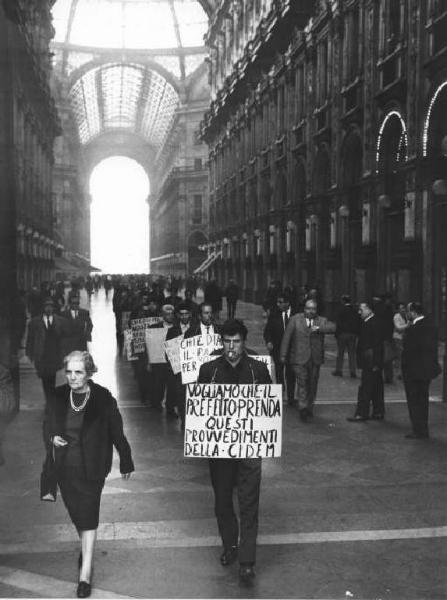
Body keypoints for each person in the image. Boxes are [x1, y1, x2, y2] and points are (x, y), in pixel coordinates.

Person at [44, 351, 134, 598]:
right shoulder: (58, 395)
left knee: (89, 513)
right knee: (77, 513)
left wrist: (125, 459)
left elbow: (117, 430)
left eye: (79, 372)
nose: (72, 377)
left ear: (89, 372)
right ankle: (87, 547)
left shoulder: (103, 397)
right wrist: (53, 437)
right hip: (65, 467)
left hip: (93, 466)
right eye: (69, 372)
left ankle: (85, 573)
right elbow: (47, 424)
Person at [197, 319, 272, 586]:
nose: (231, 348)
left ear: (244, 342)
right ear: (221, 342)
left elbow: (269, 409)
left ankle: (248, 561)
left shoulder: (259, 370)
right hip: (220, 450)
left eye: (237, 342)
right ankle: (230, 545)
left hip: (250, 448)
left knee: (249, 502)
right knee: (222, 501)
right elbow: (197, 409)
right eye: (227, 342)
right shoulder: (208, 370)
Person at [280, 299, 335, 421]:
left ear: (316, 310)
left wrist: (319, 329)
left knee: (312, 384)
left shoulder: (321, 320)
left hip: (315, 359)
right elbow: (286, 337)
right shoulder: (295, 319)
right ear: (304, 309)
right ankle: (303, 408)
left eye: (313, 309)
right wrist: (283, 355)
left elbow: (333, 327)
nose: (311, 311)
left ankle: (309, 407)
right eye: (308, 308)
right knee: (302, 382)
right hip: (299, 358)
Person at [402, 302, 440, 439]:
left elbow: (408, 351)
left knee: (414, 401)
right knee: (423, 400)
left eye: (408, 311)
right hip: (426, 370)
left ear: (413, 312)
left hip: (413, 371)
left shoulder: (412, 329)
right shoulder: (431, 326)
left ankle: (417, 429)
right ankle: (423, 429)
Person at [26, 298, 68, 408]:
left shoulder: (60, 321)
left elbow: (65, 338)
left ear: (53, 308)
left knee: (52, 377)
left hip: (54, 354)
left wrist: (65, 353)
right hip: (42, 354)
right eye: (46, 306)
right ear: (43, 308)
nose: (48, 308)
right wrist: (29, 353)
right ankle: (49, 399)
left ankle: (50, 400)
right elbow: (30, 339)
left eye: (50, 306)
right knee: (45, 378)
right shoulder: (35, 322)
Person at [347, 300, 385, 422]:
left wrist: (376, 363)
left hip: (371, 361)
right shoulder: (370, 322)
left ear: (369, 309)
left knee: (366, 387)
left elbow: (378, 345)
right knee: (376, 387)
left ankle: (362, 413)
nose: (359, 312)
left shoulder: (373, 323)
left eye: (361, 310)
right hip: (372, 360)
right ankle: (378, 411)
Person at [263, 293, 296, 405]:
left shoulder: (296, 315)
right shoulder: (274, 315)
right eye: (278, 302)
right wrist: (269, 341)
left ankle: (291, 398)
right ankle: (281, 395)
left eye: (281, 302)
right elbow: (267, 331)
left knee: (291, 374)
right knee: (279, 372)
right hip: (277, 349)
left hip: (292, 350)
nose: (279, 304)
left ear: (287, 303)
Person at [146, 304, 177, 416]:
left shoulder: (177, 328)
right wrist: (149, 362)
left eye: (171, 313)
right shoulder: (154, 328)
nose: (169, 316)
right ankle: (157, 403)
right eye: (167, 314)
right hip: (159, 361)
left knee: (172, 386)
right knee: (159, 383)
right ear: (162, 315)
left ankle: (170, 407)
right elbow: (149, 345)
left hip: (173, 362)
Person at [332, 295, 361, 378]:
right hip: (352, 334)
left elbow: (338, 323)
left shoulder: (341, 310)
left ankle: (339, 370)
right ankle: (352, 371)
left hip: (343, 333)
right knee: (352, 353)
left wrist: (337, 334)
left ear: (343, 301)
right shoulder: (354, 310)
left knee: (340, 353)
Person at [392, 302, 409, 380]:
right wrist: (407, 325)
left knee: (404, 356)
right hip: (398, 338)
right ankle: (399, 373)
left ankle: (403, 372)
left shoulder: (406, 316)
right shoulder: (396, 317)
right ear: (398, 310)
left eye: (404, 308)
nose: (403, 310)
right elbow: (398, 327)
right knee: (399, 356)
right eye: (401, 308)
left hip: (405, 338)